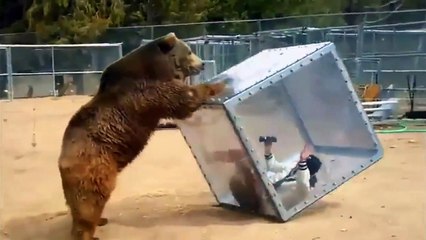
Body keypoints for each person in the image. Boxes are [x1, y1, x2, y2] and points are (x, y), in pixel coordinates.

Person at [260, 136, 323, 209]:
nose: (298, 161)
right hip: (261, 192)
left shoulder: (303, 189)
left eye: (301, 161)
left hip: (269, 208)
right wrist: (268, 149)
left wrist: (303, 161)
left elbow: (303, 182)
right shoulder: (291, 169)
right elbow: (272, 166)